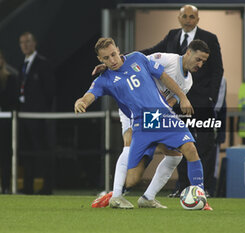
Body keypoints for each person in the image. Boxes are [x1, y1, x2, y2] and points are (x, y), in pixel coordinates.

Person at [74, 37, 212, 210]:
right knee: (130, 159)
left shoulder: (139, 59)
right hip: (137, 117)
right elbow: (89, 94)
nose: (112, 60)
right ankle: (117, 194)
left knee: (183, 152)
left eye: (114, 55)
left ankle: (181, 196)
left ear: (118, 50)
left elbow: (164, 82)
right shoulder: (106, 79)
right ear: (100, 60)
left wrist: (181, 99)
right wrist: (81, 102)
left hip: (160, 114)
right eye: (106, 58)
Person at [141, 4, 224, 197]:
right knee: (181, 143)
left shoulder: (209, 38)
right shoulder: (172, 35)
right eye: (184, 16)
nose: (188, 20)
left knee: (204, 144)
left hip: (202, 101)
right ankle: (182, 186)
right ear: (179, 18)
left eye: (191, 17)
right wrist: (126, 59)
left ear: (197, 19)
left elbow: (218, 69)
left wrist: (211, 97)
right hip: (176, 101)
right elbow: (152, 51)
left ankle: (205, 188)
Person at [18, 32, 55, 194]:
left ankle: (47, 187)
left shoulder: (42, 64)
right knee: (26, 152)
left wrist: (42, 111)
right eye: (22, 43)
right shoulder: (23, 64)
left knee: (42, 152)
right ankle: (27, 187)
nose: (25, 45)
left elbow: (50, 90)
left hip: (38, 116)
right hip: (24, 115)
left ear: (34, 44)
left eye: (27, 42)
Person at [0, 50, 18, 194]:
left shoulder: (10, 78)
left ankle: (6, 186)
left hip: (6, 123)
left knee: (6, 154)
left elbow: (13, 100)